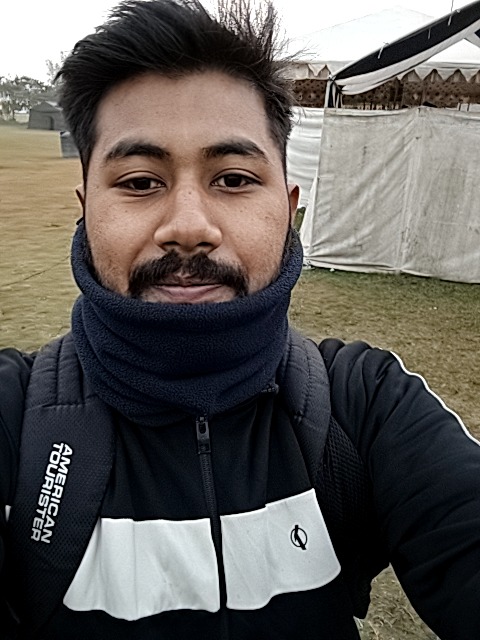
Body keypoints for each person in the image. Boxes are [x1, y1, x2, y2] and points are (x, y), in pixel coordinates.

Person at [1, 1, 479, 638]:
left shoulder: (365, 405)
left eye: (232, 178)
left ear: (289, 208)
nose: (189, 227)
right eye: (140, 182)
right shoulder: (14, 418)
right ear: (86, 211)